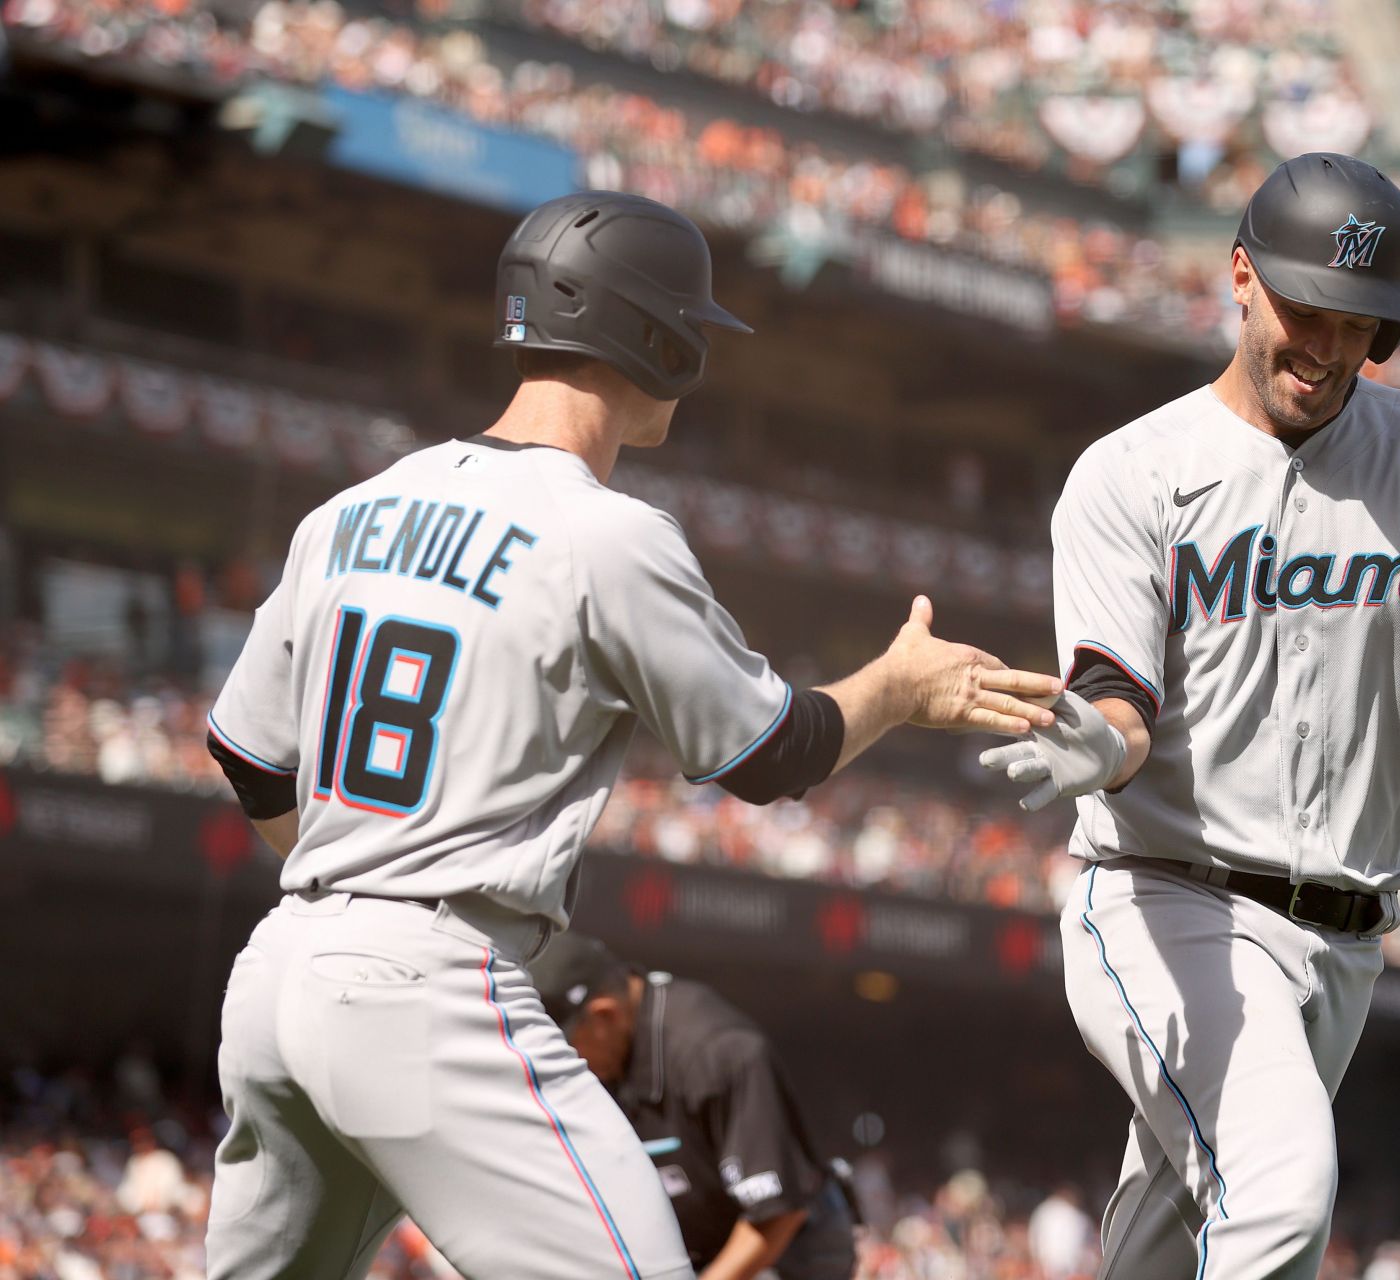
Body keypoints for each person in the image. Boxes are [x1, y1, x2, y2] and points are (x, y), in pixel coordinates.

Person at [201, 190, 1060, 1280]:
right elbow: (771, 754)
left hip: (281, 967)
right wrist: (896, 685)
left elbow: (245, 751)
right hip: (426, 977)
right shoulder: (603, 531)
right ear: (655, 338)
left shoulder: (351, 509)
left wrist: (345, 889)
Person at [981, 153, 1400, 1278]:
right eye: (1304, 307)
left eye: (1358, 321)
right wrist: (1096, 742)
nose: (1323, 346)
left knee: (1173, 1233)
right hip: (1173, 902)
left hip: (1347, 941)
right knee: (1279, 1189)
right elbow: (1119, 702)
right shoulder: (1133, 473)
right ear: (1241, 275)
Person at [527, 933, 857, 1280]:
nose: (564, 1060)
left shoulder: (718, 1052)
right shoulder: (611, 1049)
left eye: (567, 1043)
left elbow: (777, 1215)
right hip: (703, 1242)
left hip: (788, 1250)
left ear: (604, 1015)